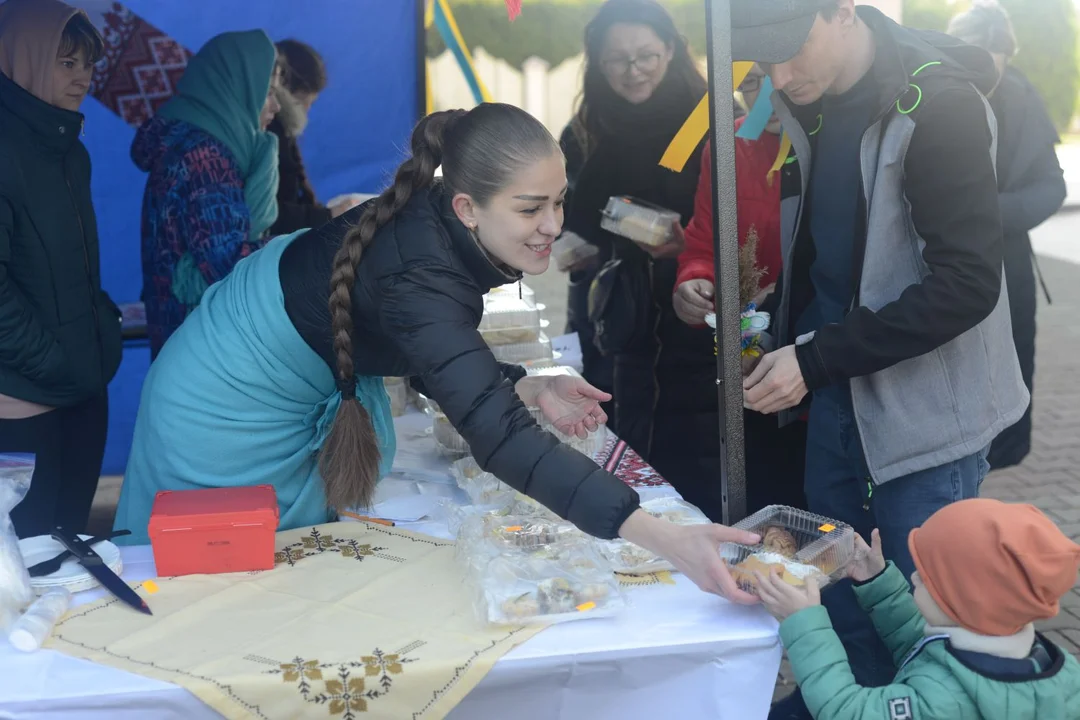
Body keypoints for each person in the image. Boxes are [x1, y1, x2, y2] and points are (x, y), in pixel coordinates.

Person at [113, 103, 761, 603]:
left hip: (250, 362)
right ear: (466, 208)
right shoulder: (421, 270)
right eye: (531, 208)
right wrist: (666, 538)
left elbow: (425, 344)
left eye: (559, 201)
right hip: (224, 404)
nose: (555, 226)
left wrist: (522, 383)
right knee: (224, 586)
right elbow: (500, 439)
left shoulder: (433, 238)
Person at [729, 1, 1029, 715]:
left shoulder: (940, 104)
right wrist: (776, 330)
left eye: (790, 49)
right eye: (760, 60)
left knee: (927, 626)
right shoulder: (813, 103)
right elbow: (835, 257)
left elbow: (967, 285)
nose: (777, 75)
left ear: (841, 12)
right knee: (842, 600)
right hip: (837, 399)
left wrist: (816, 358)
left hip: (927, 423)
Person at [559, 0, 719, 515]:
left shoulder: (710, 119)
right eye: (617, 60)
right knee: (611, 441)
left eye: (646, 55)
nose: (634, 71)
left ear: (671, 50)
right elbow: (564, 210)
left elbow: (746, 223)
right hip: (609, 312)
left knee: (684, 448)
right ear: (597, 63)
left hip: (688, 314)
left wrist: (691, 242)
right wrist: (567, 242)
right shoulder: (586, 128)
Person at [755, 499, 1080, 719]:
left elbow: (849, 710)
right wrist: (877, 582)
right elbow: (924, 647)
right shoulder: (1036, 659)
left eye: (926, 579)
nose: (912, 576)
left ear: (962, 602)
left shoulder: (941, 701)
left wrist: (805, 623)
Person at [0, 0, 123, 538]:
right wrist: (54, 362)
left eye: (88, 65)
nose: (82, 79)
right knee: (28, 569)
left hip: (82, 387)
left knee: (76, 556)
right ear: (23, 58)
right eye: (65, 62)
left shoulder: (71, 150)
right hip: (23, 404)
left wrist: (100, 331)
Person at [674, 63, 807, 515]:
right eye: (752, 83)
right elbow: (705, 239)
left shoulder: (826, 139)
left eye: (776, 78)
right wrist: (693, 279)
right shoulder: (729, 146)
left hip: (819, 343)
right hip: (753, 345)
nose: (768, 95)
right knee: (763, 482)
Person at [947, 3, 1067, 470]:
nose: (987, 82)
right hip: (944, 260)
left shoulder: (1021, 96)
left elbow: (1050, 185)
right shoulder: (930, 90)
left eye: (997, 68)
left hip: (1008, 259)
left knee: (1011, 377)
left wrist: (991, 212)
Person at [132, 30, 282, 358]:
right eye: (268, 92)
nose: (276, 105)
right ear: (237, 88)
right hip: (204, 352)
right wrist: (295, 246)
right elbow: (228, 267)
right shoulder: (205, 158)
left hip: (183, 345)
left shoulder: (187, 143)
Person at [269, 39, 361, 236]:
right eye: (305, 102)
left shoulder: (282, 131)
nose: (307, 112)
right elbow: (268, 213)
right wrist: (326, 215)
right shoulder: (269, 133)